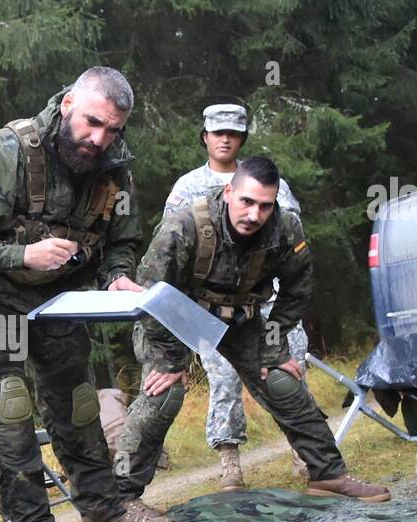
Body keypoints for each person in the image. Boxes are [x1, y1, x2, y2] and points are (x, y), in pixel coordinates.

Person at [0, 68, 174, 522]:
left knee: (80, 405)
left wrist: (115, 277)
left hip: (59, 303)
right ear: (67, 103)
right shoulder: (3, 152)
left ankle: (105, 513)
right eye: (92, 123)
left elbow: (123, 240)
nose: (99, 139)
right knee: (10, 414)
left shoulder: (112, 167)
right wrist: (23, 255)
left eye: (113, 130)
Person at [113, 155, 391, 504]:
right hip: (174, 315)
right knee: (164, 393)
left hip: (239, 318)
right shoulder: (185, 224)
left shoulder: (285, 228)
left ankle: (329, 474)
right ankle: (120, 501)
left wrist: (275, 346)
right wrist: (170, 362)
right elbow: (150, 293)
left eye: (264, 206)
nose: (254, 215)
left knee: (282, 381)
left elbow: (297, 288)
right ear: (229, 192)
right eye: (246, 201)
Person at [177, 104, 309, 489]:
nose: (224, 139)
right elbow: (174, 246)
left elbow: (291, 238)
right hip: (215, 307)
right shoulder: (187, 188)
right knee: (223, 380)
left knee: (288, 370)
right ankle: (229, 463)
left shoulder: (275, 185)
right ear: (205, 136)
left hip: (268, 302)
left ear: (242, 139)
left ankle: (304, 453)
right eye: (217, 132)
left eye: (233, 133)